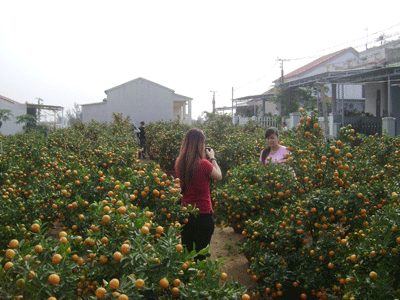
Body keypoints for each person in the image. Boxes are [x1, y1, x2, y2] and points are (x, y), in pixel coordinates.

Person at [175, 128, 222, 260]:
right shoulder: (204, 164)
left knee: (187, 255)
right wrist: (212, 158)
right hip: (203, 215)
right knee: (200, 257)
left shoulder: (178, 162)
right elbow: (219, 176)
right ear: (200, 144)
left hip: (186, 214)